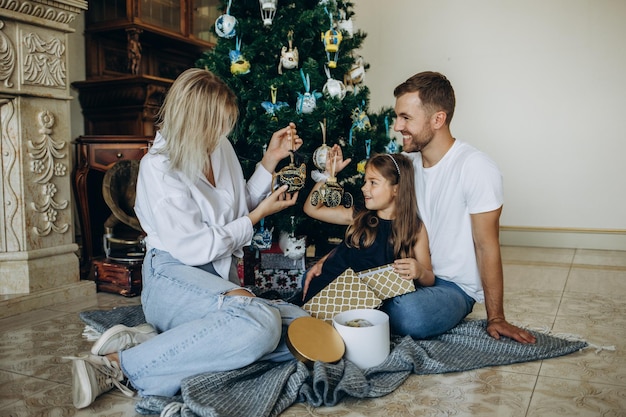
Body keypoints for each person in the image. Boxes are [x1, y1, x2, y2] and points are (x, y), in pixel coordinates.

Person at [66, 68, 309, 408]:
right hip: (174, 274)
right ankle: (116, 365)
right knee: (259, 325)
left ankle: (163, 343)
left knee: (302, 328)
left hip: (217, 280)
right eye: (215, 125)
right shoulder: (159, 168)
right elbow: (197, 246)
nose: (221, 134)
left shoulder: (218, 146)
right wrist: (257, 217)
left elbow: (235, 209)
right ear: (191, 121)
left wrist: (270, 160)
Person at [307, 71, 536, 344]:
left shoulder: (475, 167)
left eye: (406, 118)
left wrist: (496, 316)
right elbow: (372, 219)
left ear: (437, 119)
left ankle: (358, 315)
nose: (396, 126)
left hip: (451, 287)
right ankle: (356, 312)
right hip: (401, 278)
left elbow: (487, 245)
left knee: (409, 314)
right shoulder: (405, 165)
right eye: (397, 117)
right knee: (328, 285)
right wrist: (333, 260)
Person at [300, 150, 434, 304]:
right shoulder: (360, 214)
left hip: (365, 304)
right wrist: (328, 174)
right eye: (365, 181)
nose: (364, 188)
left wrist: (420, 271)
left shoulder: (414, 228)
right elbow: (312, 209)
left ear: (396, 189)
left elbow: (429, 277)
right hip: (328, 293)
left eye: (373, 182)